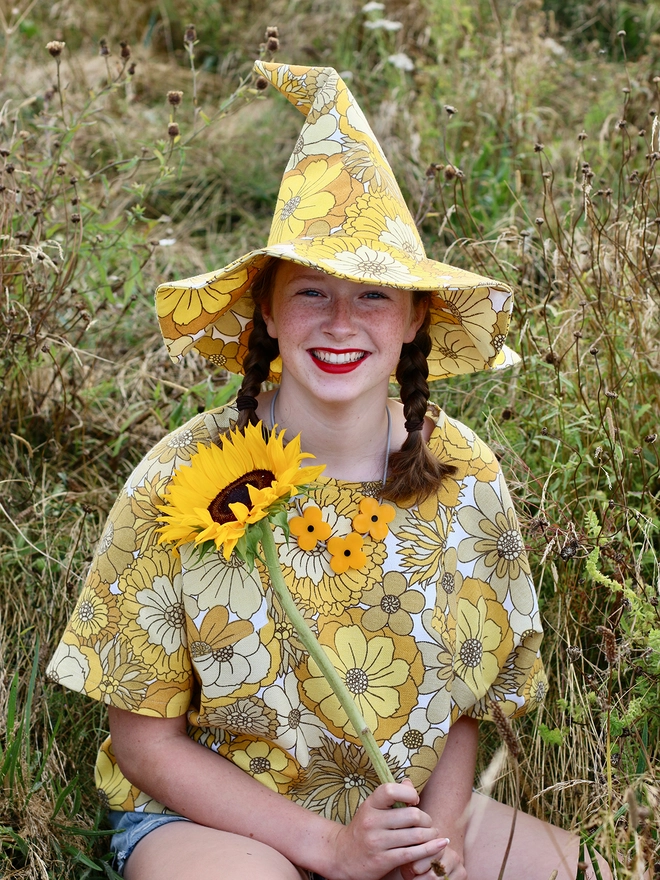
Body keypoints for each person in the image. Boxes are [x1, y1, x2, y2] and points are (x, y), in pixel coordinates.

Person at [47, 62, 609, 880]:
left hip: (400, 818)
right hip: (218, 819)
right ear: (267, 314)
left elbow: (465, 711)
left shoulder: (463, 475)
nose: (341, 323)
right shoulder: (186, 474)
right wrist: (327, 849)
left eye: (374, 297)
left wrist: (438, 837)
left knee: (589, 871)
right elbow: (143, 740)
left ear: (417, 317)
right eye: (312, 293)